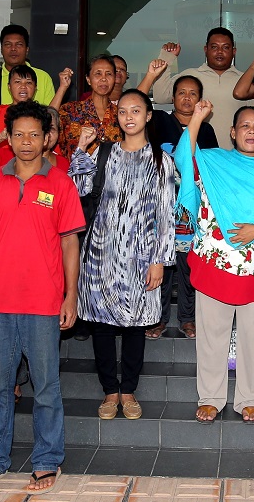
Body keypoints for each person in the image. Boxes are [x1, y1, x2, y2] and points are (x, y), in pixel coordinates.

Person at [0, 100, 85, 495]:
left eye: (34, 134)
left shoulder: (60, 183)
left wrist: (70, 295)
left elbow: (70, 243)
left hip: (44, 301)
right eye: (19, 134)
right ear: (7, 139)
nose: (26, 142)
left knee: (45, 387)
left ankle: (47, 461)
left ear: (47, 139)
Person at [173, 101, 254, 425]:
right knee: (212, 336)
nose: (251, 131)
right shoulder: (214, 161)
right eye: (244, 126)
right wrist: (197, 117)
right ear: (233, 132)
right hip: (215, 265)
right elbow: (183, 157)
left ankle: (250, 398)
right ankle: (211, 397)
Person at [71, 89, 176, 421]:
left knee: (135, 326)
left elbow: (166, 214)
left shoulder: (162, 160)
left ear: (148, 116)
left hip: (142, 256)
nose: (129, 117)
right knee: (101, 326)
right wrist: (81, 147)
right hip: (101, 253)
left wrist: (159, 259)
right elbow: (77, 189)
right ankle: (109, 392)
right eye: (123, 112)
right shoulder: (104, 153)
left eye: (136, 111)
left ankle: (128, 390)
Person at [145, 75, 219, 340]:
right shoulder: (159, 122)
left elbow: (210, 170)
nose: (187, 98)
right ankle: (157, 318)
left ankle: (188, 319)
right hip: (160, 207)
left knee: (190, 266)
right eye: (181, 93)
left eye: (193, 93)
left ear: (199, 99)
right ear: (172, 97)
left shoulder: (207, 131)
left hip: (192, 210)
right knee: (160, 266)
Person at [153, 28, 244, 149]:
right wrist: (167, 57)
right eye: (214, 47)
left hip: (233, 158)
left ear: (234, 51)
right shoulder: (190, 77)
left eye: (226, 47)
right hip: (197, 156)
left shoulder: (245, 81)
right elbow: (160, 96)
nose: (220, 52)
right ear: (206, 50)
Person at [0, 64, 71, 137]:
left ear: (35, 87)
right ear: (9, 87)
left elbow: (51, 117)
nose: (23, 87)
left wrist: (63, 87)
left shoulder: (41, 114)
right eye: (17, 82)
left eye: (28, 83)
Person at [59, 54, 120, 159]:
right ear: (88, 79)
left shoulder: (120, 114)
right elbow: (45, 122)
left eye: (109, 74)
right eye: (98, 74)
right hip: (77, 173)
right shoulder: (70, 110)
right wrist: (62, 87)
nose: (104, 79)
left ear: (114, 79)